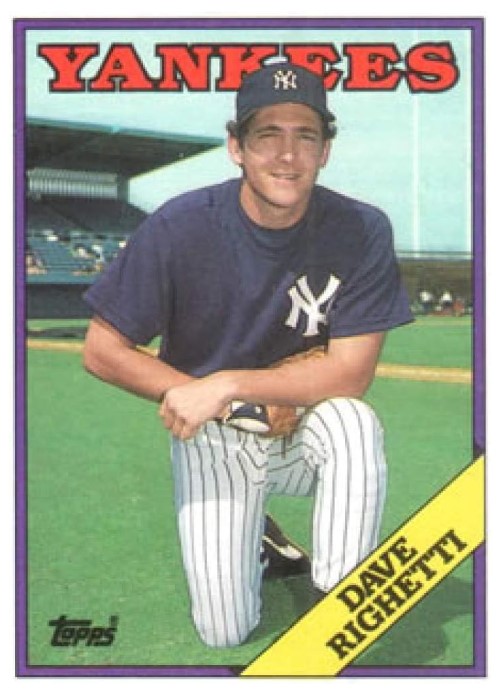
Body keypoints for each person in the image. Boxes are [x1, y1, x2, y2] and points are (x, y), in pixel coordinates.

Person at [82, 62, 413, 648]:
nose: (287, 154)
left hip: (305, 425)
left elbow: (351, 374)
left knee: (353, 423)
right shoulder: (181, 225)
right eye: (268, 135)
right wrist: (201, 394)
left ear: (325, 150)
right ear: (236, 146)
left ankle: (337, 602)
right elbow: (102, 350)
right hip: (215, 435)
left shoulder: (361, 228)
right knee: (224, 631)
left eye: (305, 136)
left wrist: (230, 383)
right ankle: (263, 542)